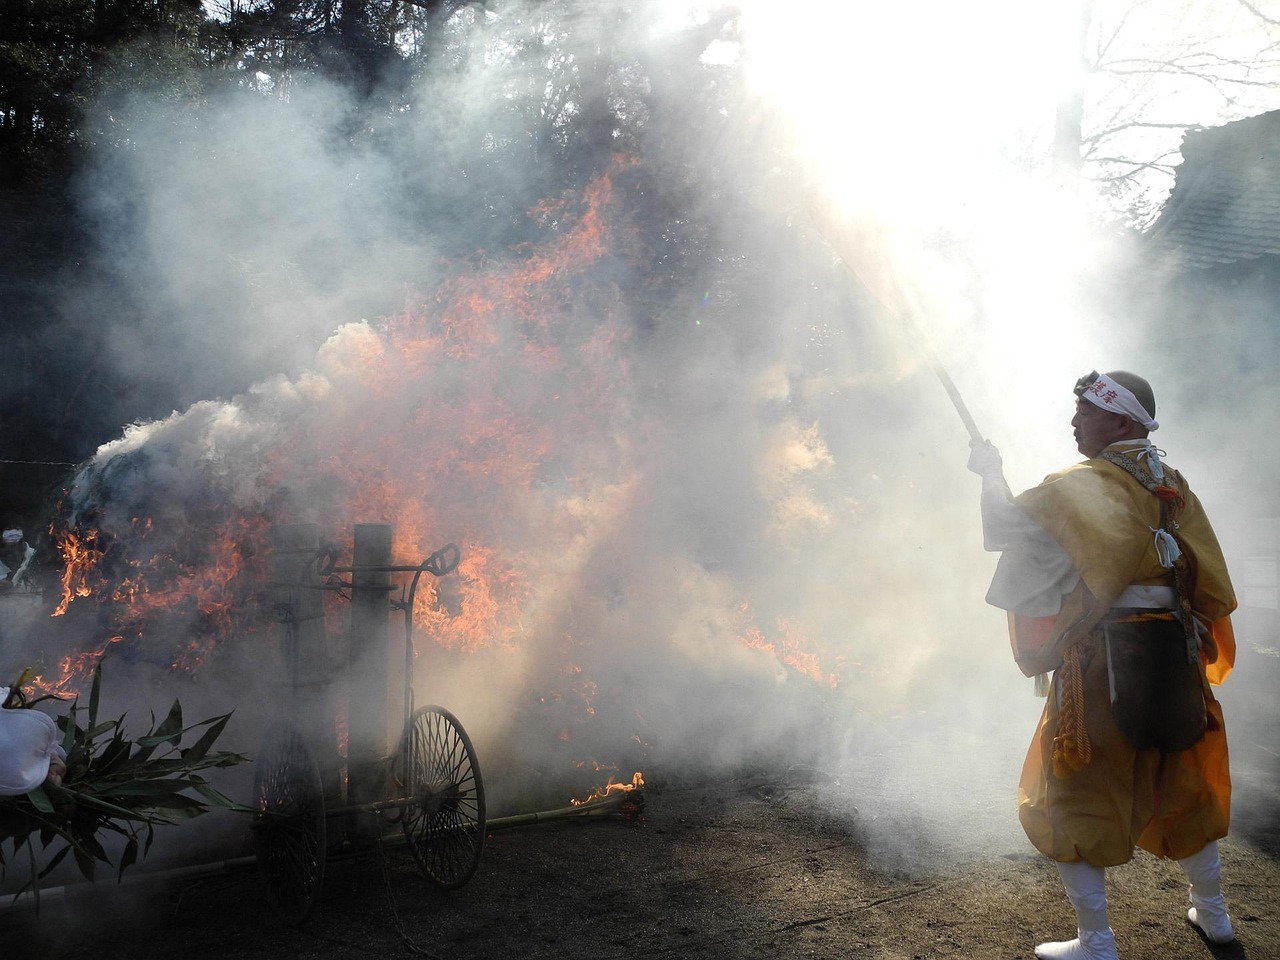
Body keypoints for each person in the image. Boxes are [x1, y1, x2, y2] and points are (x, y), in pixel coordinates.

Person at [967, 370, 1237, 960]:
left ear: (1120, 419)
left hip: (1100, 659)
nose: (1073, 421)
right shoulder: (1174, 484)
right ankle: (1215, 917)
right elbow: (1210, 583)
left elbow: (1004, 529)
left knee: (1076, 786)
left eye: (1085, 410)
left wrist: (991, 474)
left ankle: (1096, 942)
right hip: (1175, 655)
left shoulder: (1078, 484)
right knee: (1183, 781)